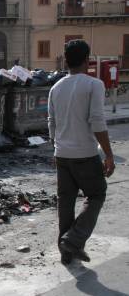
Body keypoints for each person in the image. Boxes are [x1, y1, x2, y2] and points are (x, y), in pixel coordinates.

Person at [48, 40, 116, 265]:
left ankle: (67, 251)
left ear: (65, 60)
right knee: (96, 194)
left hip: (62, 153)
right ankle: (74, 240)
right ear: (87, 59)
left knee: (65, 201)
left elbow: (52, 123)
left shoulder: (55, 88)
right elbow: (97, 121)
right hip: (85, 154)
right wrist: (108, 154)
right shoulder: (94, 84)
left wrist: (56, 147)